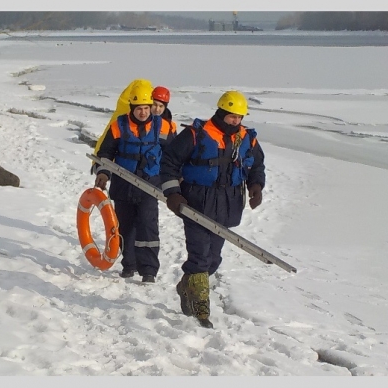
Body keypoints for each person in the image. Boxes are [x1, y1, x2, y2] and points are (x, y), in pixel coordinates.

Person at [159, 90, 266, 328]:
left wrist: (256, 186)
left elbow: (256, 164)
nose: (235, 121)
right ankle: (201, 311)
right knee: (199, 256)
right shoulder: (196, 134)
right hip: (196, 201)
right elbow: (169, 163)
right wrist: (173, 193)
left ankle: (187, 284)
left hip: (227, 205)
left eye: (239, 117)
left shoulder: (247, 138)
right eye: (231, 116)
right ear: (220, 112)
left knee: (213, 258)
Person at [94, 83, 176, 283]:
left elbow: (173, 156)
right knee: (125, 227)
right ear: (131, 108)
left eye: (147, 108)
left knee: (148, 226)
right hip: (123, 184)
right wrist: (103, 173)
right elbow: (105, 153)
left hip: (150, 185)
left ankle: (148, 270)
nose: (143, 112)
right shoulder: (118, 126)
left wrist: (174, 181)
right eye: (139, 108)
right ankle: (129, 265)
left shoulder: (163, 126)